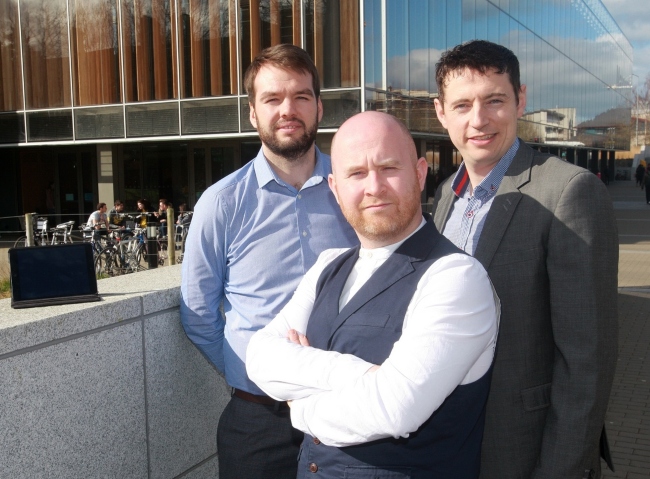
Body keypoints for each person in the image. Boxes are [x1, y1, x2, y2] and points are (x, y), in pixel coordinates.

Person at [246, 111, 499, 478]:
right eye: (357, 173)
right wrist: (363, 376)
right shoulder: (328, 265)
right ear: (335, 188)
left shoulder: (457, 278)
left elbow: (394, 409)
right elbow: (259, 356)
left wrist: (298, 406)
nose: (374, 186)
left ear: (420, 173)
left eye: (388, 167)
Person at [431, 40, 618, 478]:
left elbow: (586, 361)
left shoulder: (569, 192)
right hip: (451, 445)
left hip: (526, 447)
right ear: (441, 113)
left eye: (494, 100)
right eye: (462, 105)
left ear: (521, 100)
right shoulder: (444, 196)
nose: (478, 119)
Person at [180, 44, 358, 479]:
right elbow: (198, 314)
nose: (287, 110)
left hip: (347, 413)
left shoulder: (356, 188)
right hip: (257, 425)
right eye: (272, 99)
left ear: (319, 107)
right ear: (253, 113)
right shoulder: (220, 205)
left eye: (300, 96)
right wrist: (256, 373)